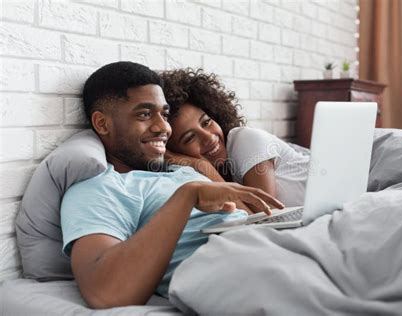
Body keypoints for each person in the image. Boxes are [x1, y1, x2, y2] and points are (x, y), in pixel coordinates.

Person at [60, 61, 284, 309]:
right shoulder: (100, 187)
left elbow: (260, 218)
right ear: (102, 124)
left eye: (164, 115)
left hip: (282, 245)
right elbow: (104, 292)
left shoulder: (182, 170)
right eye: (144, 114)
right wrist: (187, 196)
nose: (163, 127)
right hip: (245, 267)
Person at [157, 68, 311, 206]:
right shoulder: (218, 172)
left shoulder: (245, 139)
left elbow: (265, 215)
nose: (209, 137)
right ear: (176, 152)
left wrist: (205, 168)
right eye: (190, 138)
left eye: (206, 122)